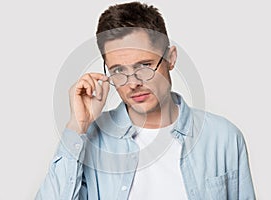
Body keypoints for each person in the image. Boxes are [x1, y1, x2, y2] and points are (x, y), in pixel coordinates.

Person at [36, 2, 255, 199]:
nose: (133, 83)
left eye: (144, 66)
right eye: (119, 70)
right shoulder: (92, 139)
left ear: (170, 58)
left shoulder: (223, 137)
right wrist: (77, 126)